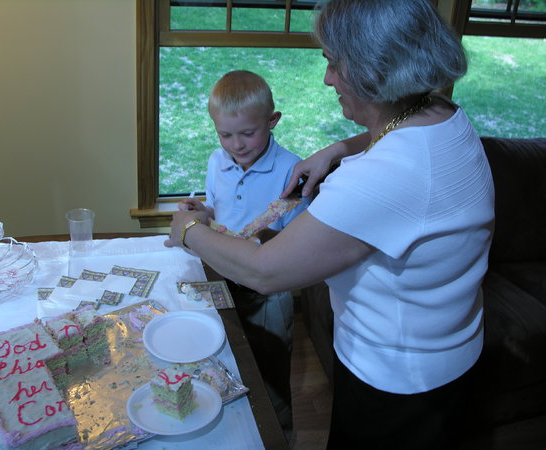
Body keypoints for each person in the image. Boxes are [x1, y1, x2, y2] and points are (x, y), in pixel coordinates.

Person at [166, 1, 494, 448]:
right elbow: (398, 126)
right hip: (450, 352)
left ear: (374, 69)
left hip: (399, 378)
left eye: (334, 63)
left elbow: (264, 271)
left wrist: (188, 230)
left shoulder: (382, 178)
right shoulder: (444, 113)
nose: (327, 78)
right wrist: (338, 148)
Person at [177, 70, 310, 440]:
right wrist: (203, 214)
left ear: (272, 121)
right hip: (221, 274)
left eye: (248, 133)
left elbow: (300, 241)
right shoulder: (216, 162)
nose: (236, 145)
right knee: (225, 352)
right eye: (225, 134)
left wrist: (261, 239)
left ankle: (279, 435)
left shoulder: (292, 171)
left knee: (270, 365)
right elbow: (219, 211)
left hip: (269, 289)